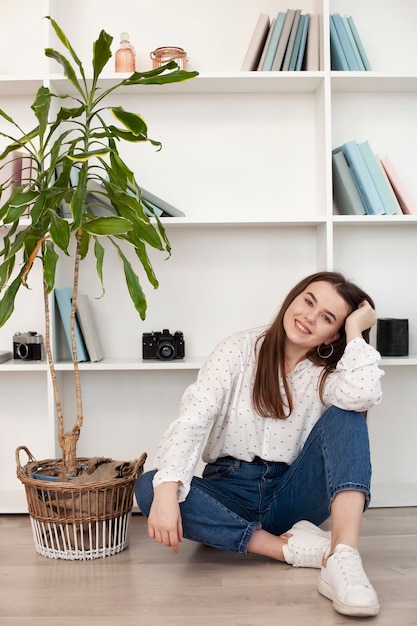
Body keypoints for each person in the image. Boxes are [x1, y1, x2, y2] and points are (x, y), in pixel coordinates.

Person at [135, 271, 384, 618]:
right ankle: (293, 550)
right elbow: (194, 418)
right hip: (230, 490)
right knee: (151, 485)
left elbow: (364, 394)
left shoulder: (329, 373)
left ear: (334, 334)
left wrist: (357, 329)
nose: (309, 317)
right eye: (308, 301)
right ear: (293, 298)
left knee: (349, 412)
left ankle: (344, 556)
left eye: (327, 317)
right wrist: (166, 491)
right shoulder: (237, 350)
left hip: (293, 493)